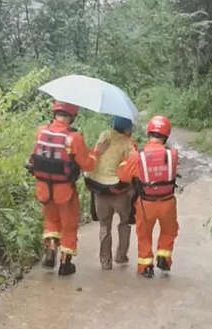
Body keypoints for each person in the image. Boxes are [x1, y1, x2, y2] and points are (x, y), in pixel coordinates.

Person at [27, 101, 109, 276]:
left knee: (51, 221)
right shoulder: (74, 138)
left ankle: (50, 251)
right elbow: (87, 165)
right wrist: (96, 152)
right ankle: (65, 263)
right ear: (72, 116)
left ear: (55, 112)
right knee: (69, 225)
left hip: (43, 188)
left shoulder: (41, 131)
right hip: (65, 191)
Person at [117, 115, 179, 278]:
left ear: (148, 132)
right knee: (169, 231)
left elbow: (124, 177)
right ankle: (164, 258)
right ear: (166, 135)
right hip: (168, 202)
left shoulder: (137, 156)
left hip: (146, 203)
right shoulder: (173, 154)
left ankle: (146, 267)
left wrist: (124, 162)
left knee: (144, 234)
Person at [84, 116, 137, 270]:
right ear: (128, 129)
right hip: (118, 191)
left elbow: (96, 154)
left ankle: (105, 261)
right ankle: (121, 256)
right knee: (124, 222)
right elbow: (133, 167)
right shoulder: (128, 144)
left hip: (99, 189)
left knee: (104, 226)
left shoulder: (104, 135)